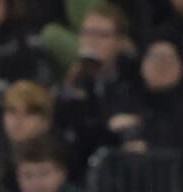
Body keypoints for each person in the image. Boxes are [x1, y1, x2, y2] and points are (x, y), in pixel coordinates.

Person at [54, 0, 139, 179]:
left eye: (102, 35)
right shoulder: (77, 79)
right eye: (87, 33)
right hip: (80, 169)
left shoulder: (135, 76)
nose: (92, 41)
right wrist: (70, 86)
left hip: (122, 173)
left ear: (120, 41)